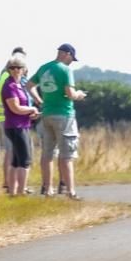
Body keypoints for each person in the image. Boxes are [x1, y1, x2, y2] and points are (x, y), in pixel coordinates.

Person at [27, 43, 86, 199]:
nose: (71, 62)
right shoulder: (65, 70)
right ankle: (71, 192)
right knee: (67, 155)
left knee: (47, 154)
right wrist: (79, 94)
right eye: (72, 58)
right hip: (64, 114)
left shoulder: (44, 68)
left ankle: (48, 190)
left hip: (47, 114)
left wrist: (39, 101)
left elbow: (29, 85)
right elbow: (70, 93)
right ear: (67, 54)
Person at [1, 54, 40, 195]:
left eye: (19, 67)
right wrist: (32, 109)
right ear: (9, 69)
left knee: (16, 161)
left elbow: (21, 107)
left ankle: (13, 192)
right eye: (12, 67)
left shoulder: (20, 85)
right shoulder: (10, 86)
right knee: (24, 160)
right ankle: (21, 191)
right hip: (15, 127)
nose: (16, 70)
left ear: (24, 69)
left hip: (21, 125)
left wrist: (31, 113)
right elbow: (15, 108)